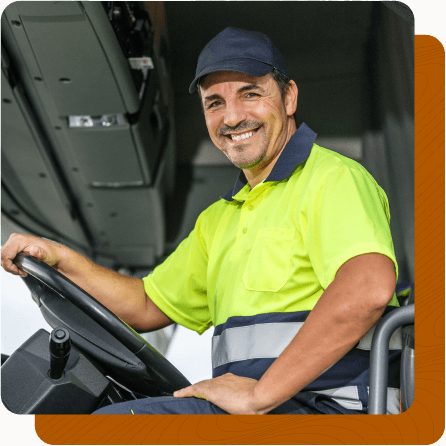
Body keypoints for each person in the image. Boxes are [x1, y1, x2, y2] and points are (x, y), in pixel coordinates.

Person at [1, 27, 402, 415]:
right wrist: (59, 258)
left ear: (289, 97)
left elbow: (367, 288)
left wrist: (260, 395)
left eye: (250, 94)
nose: (232, 118)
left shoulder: (332, 179)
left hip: (331, 406)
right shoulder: (219, 220)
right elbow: (144, 304)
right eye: (215, 103)